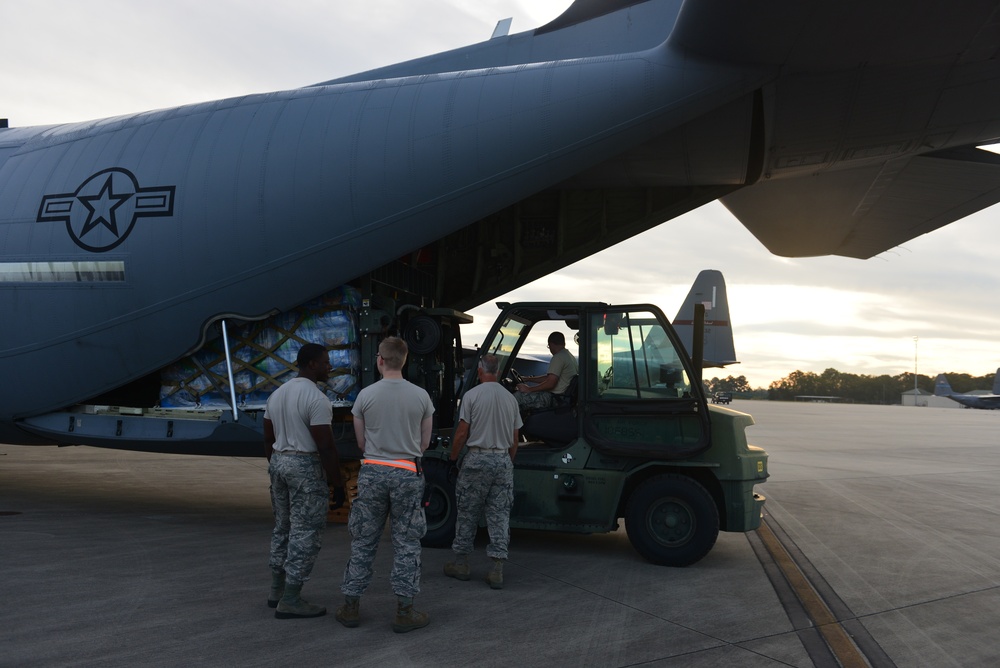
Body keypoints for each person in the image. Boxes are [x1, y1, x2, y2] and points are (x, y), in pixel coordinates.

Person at [336, 336, 434, 633]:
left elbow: (361, 442)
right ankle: (405, 610)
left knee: (364, 540)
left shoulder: (366, 396)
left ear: (380, 360)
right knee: (406, 542)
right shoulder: (421, 397)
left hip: (374, 471)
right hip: (407, 472)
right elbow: (425, 443)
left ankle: (351, 606)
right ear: (404, 360)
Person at [263, 343, 346, 619]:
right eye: (325, 362)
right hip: (304, 466)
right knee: (306, 532)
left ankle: (276, 590)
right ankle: (291, 598)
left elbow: (267, 437)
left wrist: (277, 464)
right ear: (311, 365)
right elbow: (325, 446)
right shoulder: (317, 399)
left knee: (283, 528)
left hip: (279, 461)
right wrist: (337, 483)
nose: (329, 367)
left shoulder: (277, 394)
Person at [444, 354, 522, 589]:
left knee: (468, 511)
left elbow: (461, 433)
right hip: (501, 460)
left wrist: (453, 459)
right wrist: (506, 462)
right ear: (497, 372)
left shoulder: (471, 396)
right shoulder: (510, 399)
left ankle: (461, 564)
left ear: (479, 371)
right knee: (499, 514)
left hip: (477, 458)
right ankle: (497, 569)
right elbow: (515, 440)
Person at [514, 331, 578, 410]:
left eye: (549, 346)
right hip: (561, 398)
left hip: (554, 398)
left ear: (551, 344)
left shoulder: (558, 357)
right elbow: (550, 378)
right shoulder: (569, 356)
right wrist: (528, 379)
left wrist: (529, 389)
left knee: (516, 397)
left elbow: (551, 383)